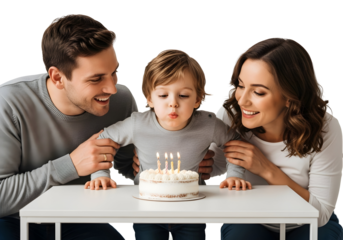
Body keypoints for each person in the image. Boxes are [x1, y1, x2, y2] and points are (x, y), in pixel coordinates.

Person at [0, 13, 215, 240]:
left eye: (114, 72)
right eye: (96, 79)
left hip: (74, 219)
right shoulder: (9, 103)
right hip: (13, 220)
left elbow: (126, 164)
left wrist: (181, 161)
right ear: (57, 77)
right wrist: (71, 165)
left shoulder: (119, 100)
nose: (112, 88)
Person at [85, 47, 252, 240]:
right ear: (149, 97)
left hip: (192, 206)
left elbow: (234, 141)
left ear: (198, 98)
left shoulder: (208, 124)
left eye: (183, 96)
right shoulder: (138, 124)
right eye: (163, 95)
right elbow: (104, 138)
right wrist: (100, 174)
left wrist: (234, 174)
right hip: (146, 206)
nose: (173, 103)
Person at [211, 36, 342, 239]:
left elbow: (321, 214)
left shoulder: (324, 127)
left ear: (290, 97)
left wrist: (266, 169)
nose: (242, 100)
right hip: (250, 218)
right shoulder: (230, 116)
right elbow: (215, 166)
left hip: (309, 221)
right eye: (241, 85)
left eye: (259, 92)